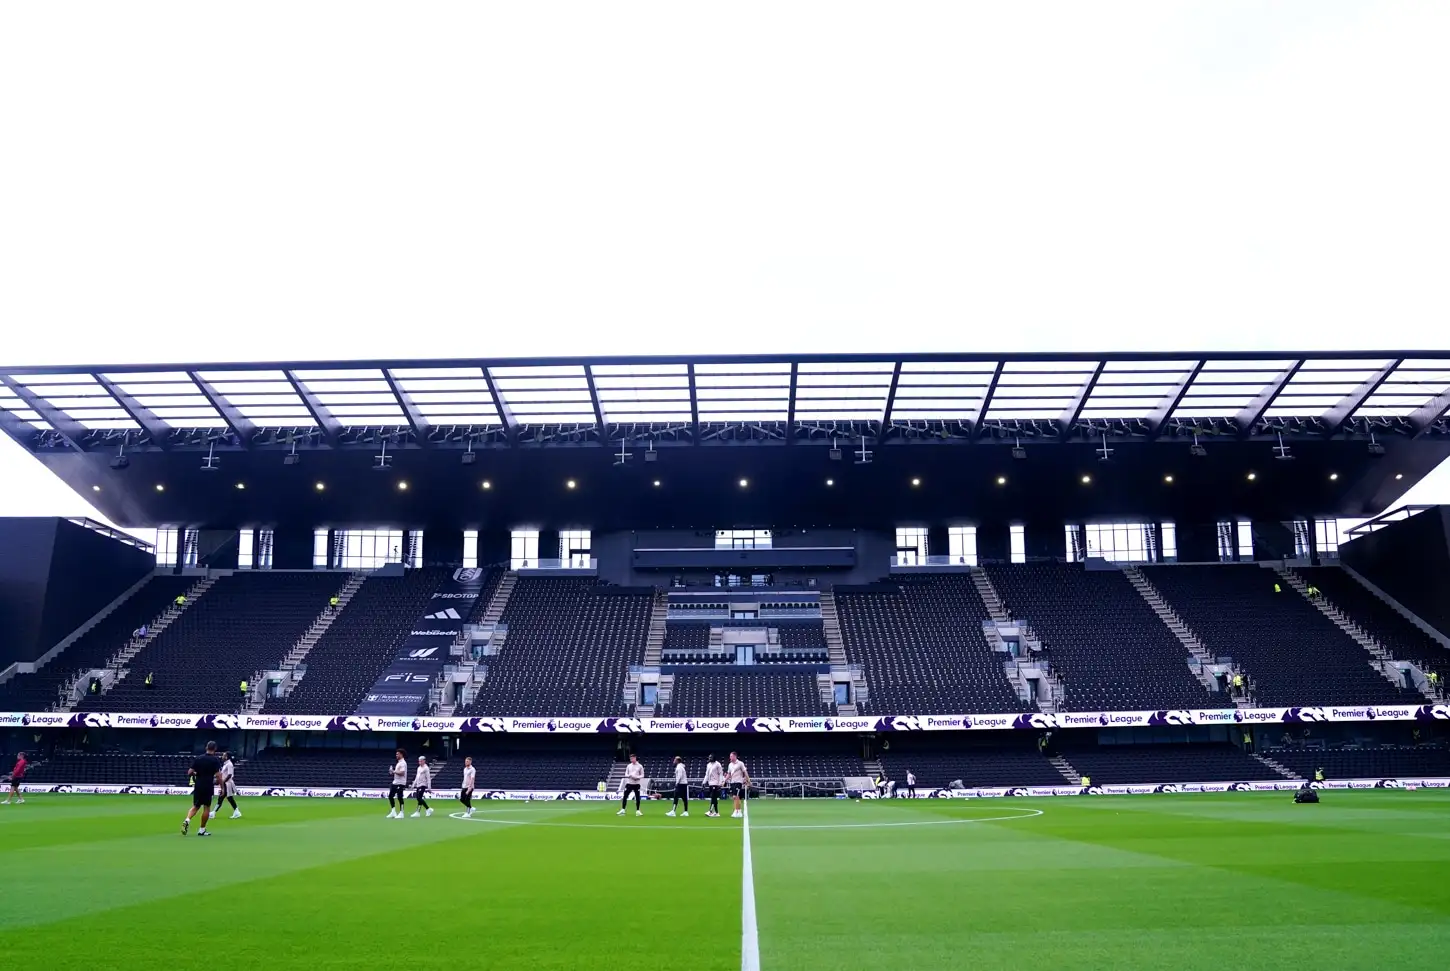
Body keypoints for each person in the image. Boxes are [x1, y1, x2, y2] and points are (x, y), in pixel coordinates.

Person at [182, 742, 224, 837]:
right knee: (206, 807)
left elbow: (189, 772)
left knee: (196, 806)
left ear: (206, 747)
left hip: (198, 784)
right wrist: (222, 787)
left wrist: (197, 774)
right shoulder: (215, 760)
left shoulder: (199, 758)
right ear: (215, 748)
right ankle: (202, 830)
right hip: (208, 785)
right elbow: (218, 776)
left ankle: (187, 820)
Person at [213, 750, 242, 819]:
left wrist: (222, 782)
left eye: (223, 755)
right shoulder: (226, 764)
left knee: (222, 797)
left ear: (226, 757)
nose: (222, 756)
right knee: (228, 798)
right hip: (226, 783)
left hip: (227, 784)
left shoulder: (229, 764)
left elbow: (229, 775)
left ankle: (213, 812)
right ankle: (237, 811)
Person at [726, 751, 750, 818]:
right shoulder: (730, 765)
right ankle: (737, 811)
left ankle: (738, 811)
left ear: (735, 756)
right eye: (730, 756)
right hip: (732, 782)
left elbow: (745, 772)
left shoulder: (740, 763)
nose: (730, 757)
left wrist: (748, 781)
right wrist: (724, 780)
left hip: (738, 782)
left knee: (735, 796)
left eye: (731, 756)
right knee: (735, 798)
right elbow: (729, 774)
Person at [387, 749, 409, 818]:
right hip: (395, 782)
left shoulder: (403, 763)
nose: (396, 755)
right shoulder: (398, 763)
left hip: (401, 782)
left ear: (401, 754)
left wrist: (393, 771)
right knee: (390, 796)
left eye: (398, 754)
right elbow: (396, 773)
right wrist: (391, 772)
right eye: (396, 754)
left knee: (400, 797)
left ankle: (401, 813)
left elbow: (402, 773)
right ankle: (393, 811)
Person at [703, 753, 725, 818]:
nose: (709, 758)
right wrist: (704, 782)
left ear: (714, 758)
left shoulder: (718, 764)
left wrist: (720, 783)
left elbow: (721, 774)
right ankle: (717, 812)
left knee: (713, 797)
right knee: (714, 798)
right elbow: (706, 774)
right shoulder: (708, 765)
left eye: (710, 757)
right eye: (709, 757)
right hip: (710, 783)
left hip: (716, 783)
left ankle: (710, 811)